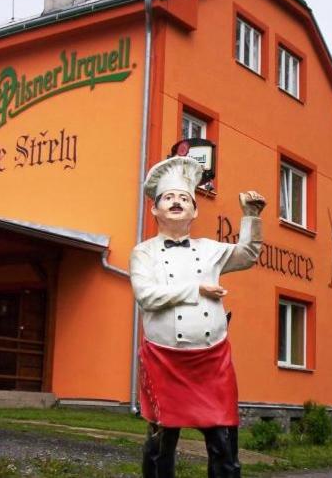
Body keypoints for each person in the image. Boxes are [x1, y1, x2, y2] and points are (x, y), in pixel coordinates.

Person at [130, 156, 266, 478]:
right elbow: (146, 296)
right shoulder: (143, 252)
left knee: (223, 442)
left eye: (184, 198)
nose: (176, 202)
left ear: (195, 210)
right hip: (164, 361)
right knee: (161, 443)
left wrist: (251, 216)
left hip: (212, 363)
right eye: (168, 198)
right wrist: (197, 291)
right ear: (155, 209)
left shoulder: (210, 249)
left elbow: (247, 254)